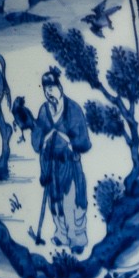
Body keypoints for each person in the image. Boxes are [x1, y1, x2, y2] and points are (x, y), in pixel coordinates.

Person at [31, 66, 92, 252]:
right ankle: (61, 234)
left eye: (52, 88)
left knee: (72, 202)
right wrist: (45, 138)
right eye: (45, 89)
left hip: (69, 163)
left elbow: (83, 140)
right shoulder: (44, 110)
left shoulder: (73, 109)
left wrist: (68, 140)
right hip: (51, 165)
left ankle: (78, 238)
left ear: (60, 87)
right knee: (55, 202)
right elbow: (37, 136)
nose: (49, 92)